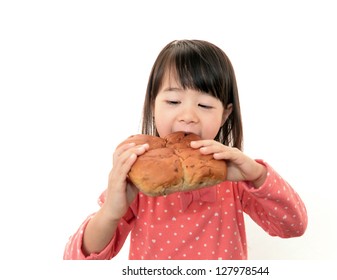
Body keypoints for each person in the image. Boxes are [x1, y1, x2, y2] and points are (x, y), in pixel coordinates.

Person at [63, 39, 308, 260]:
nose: (188, 116)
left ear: (225, 114)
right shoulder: (136, 179)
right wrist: (111, 212)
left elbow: (293, 227)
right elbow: (78, 259)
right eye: (173, 101)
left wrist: (257, 175)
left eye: (204, 104)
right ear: (152, 104)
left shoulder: (234, 176)